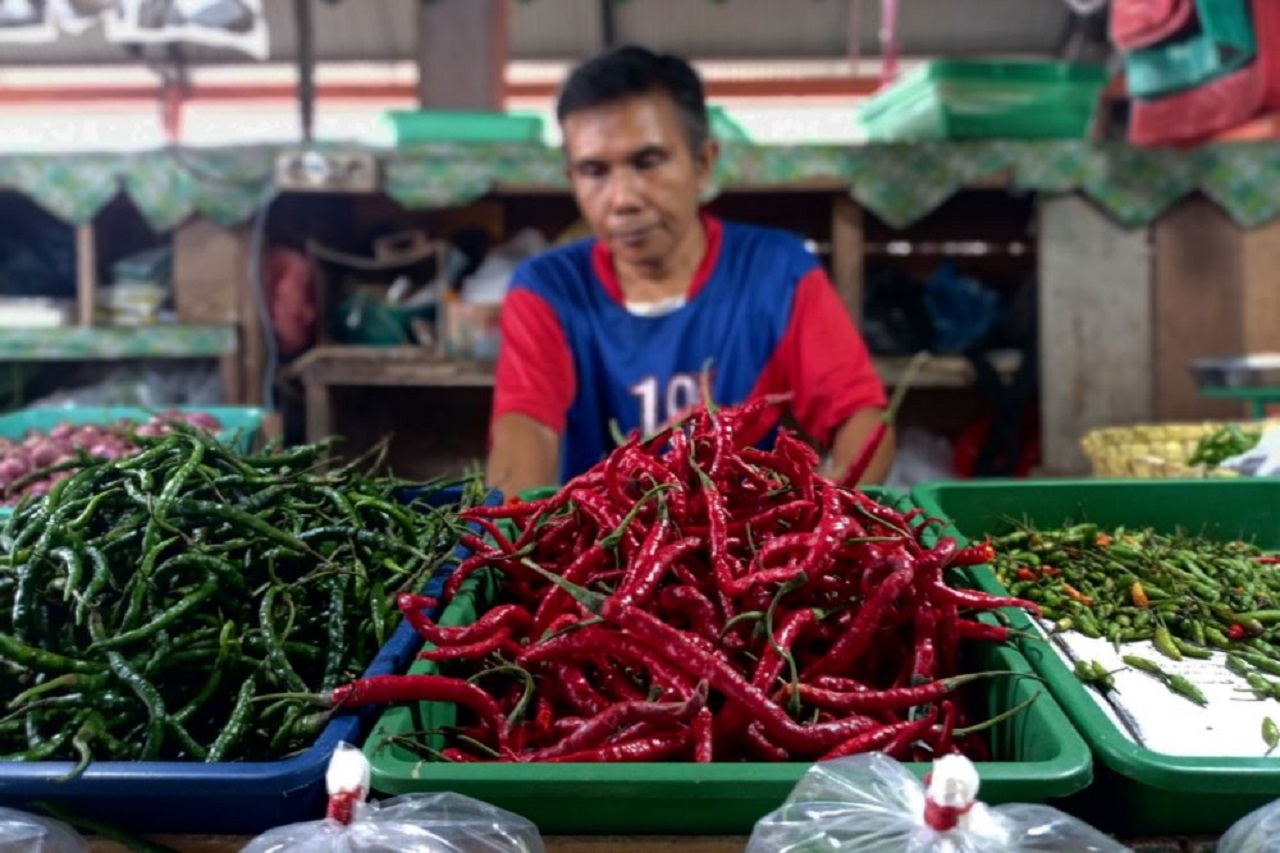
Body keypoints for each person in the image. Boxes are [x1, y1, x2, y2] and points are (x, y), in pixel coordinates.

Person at [486, 45, 894, 496]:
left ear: (702, 164)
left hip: (748, 547)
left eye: (648, 162)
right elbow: (526, 425)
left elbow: (859, 416)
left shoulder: (777, 271)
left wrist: (825, 513)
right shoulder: (547, 288)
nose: (623, 199)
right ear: (572, 180)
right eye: (594, 171)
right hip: (601, 551)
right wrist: (512, 536)